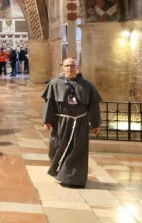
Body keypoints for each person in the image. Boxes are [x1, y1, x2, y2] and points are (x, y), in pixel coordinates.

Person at [42, 58, 102, 188]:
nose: (69, 68)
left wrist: (96, 124)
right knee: (55, 148)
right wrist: (47, 120)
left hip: (80, 122)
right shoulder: (55, 84)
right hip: (61, 122)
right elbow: (49, 104)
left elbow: (93, 106)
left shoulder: (87, 85)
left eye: (72, 66)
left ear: (78, 67)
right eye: (67, 66)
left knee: (77, 150)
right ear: (63, 68)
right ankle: (58, 171)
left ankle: (72, 178)